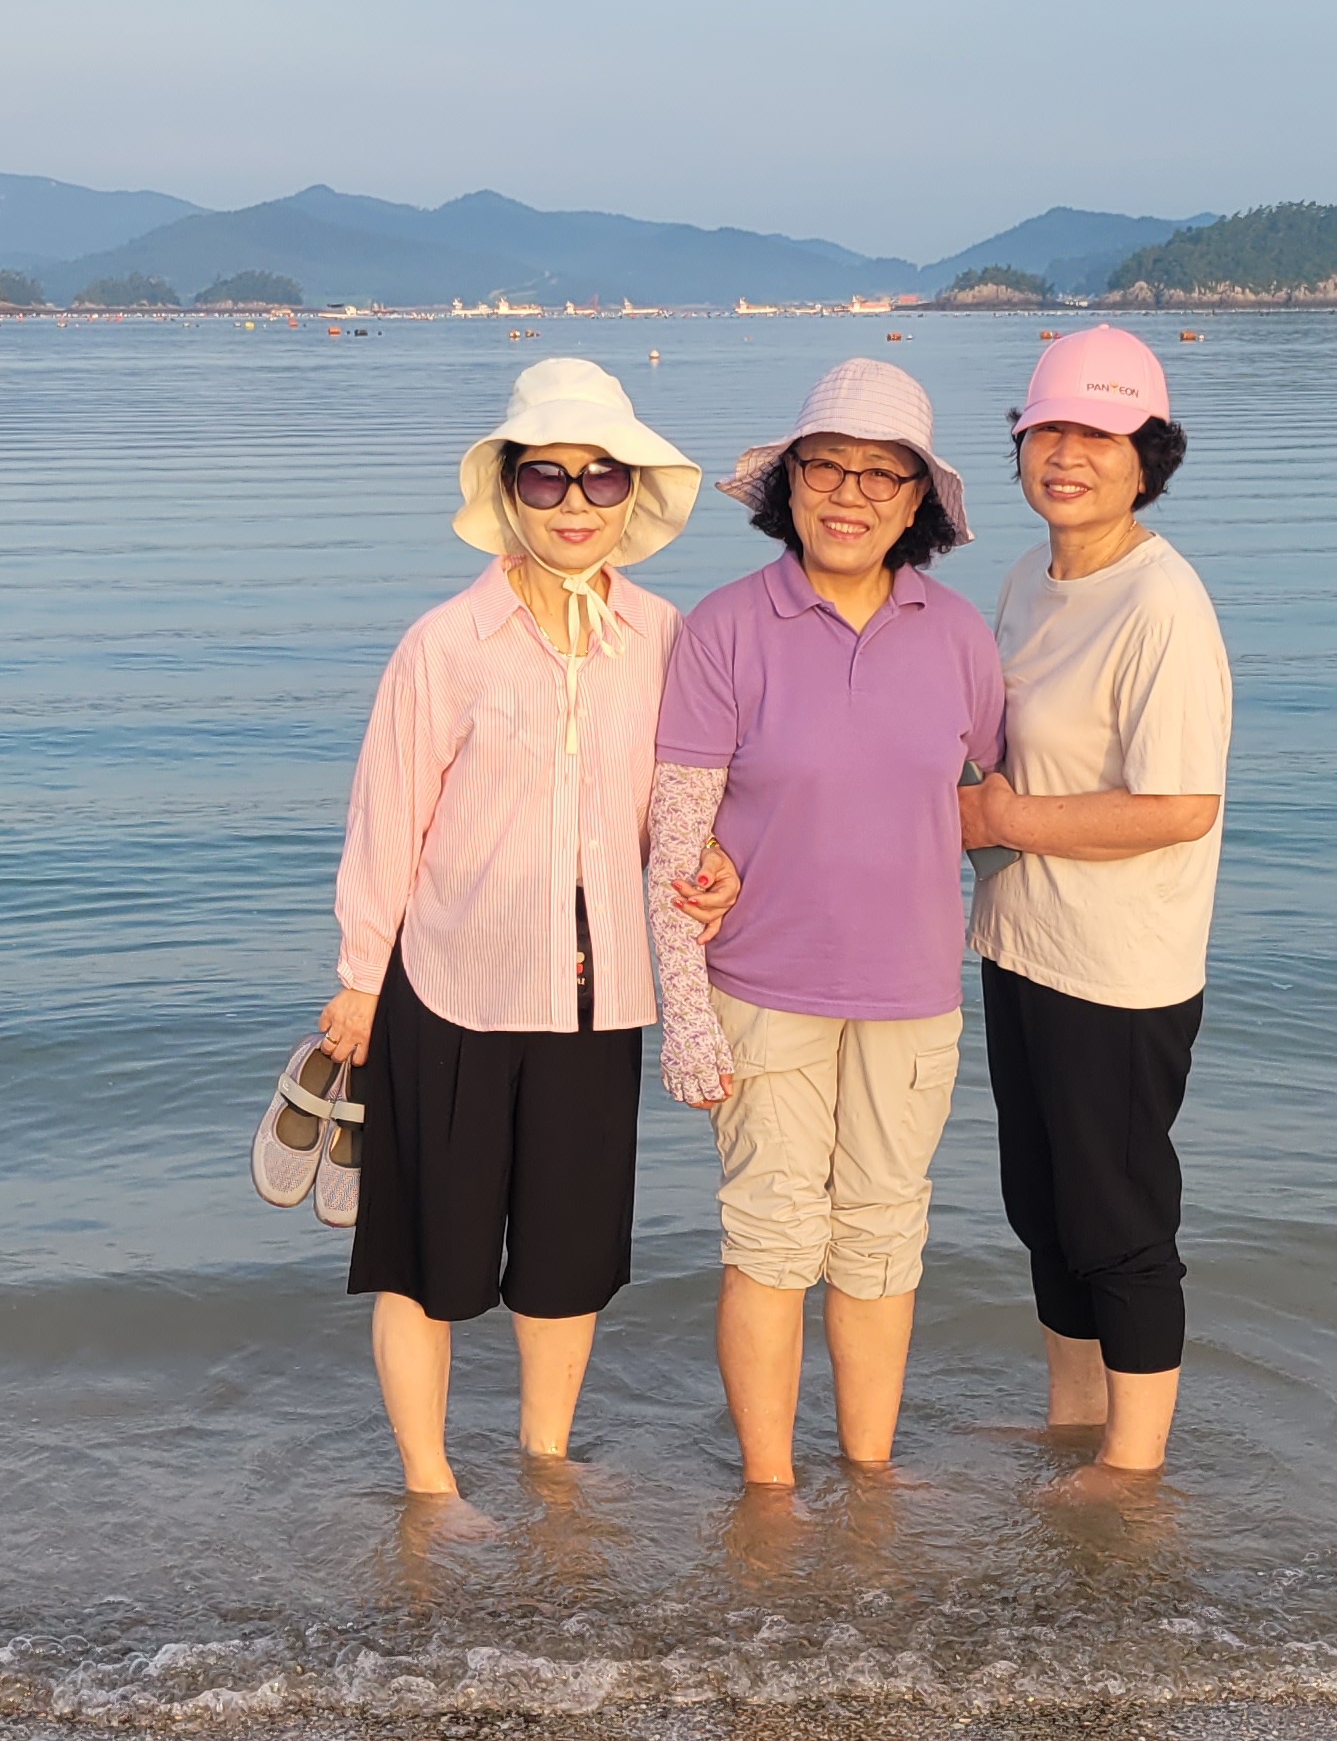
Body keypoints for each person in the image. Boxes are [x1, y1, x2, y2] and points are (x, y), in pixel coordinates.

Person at [320, 357, 724, 1506]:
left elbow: (688, 805)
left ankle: (547, 1466)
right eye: (546, 477)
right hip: (447, 988)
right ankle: (430, 1490)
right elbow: (387, 818)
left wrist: (721, 869)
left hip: (599, 1002)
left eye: (602, 478)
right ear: (509, 492)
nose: (575, 503)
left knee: (566, 1261)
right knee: (424, 1257)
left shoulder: (666, 638)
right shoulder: (446, 643)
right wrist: (360, 978)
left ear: (631, 494)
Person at [645, 358, 1003, 1489]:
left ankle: (869, 1485)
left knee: (884, 1241)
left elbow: (986, 801)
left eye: (881, 475)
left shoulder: (959, 636)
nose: (850, 494)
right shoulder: (724, 629)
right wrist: (685, 1017)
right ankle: (768, 1497)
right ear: (788, 484)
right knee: (770, 1239)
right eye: (826, 468)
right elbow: (677, 840)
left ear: (918, 501)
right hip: (762, 996)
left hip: (914, 1000)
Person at [955, 325, 1230, 1488]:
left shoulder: (1162, 602)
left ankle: (1133, 1464)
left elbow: (1180, 806)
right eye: (1048, 432)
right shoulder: (1030, 577)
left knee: (1119, 1217)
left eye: (1099, 437)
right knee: (1042, 1203)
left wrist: (1008, 818)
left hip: (1117, 967)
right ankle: (1073, 1424)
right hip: (1022, 942)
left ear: (1146, 458)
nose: (1067, 457)